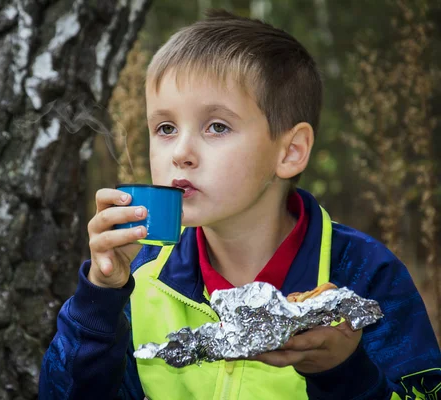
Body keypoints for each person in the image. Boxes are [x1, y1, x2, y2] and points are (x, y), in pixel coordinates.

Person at [39, 10, 441, 400]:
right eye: (165, 128)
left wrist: (344, 372)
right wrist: (99, 298)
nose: (180, 152)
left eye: (217, 126)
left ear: (290, 151)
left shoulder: (364, 274)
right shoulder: (142, 274)